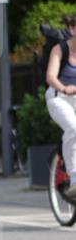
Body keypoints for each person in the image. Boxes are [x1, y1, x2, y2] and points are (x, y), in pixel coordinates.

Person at [45, 12, 76, 200]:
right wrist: (64, 88)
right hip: (59, 98)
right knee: (74, 128)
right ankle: (74, 179)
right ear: (72, 29)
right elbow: (50, 77)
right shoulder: (60, 49)